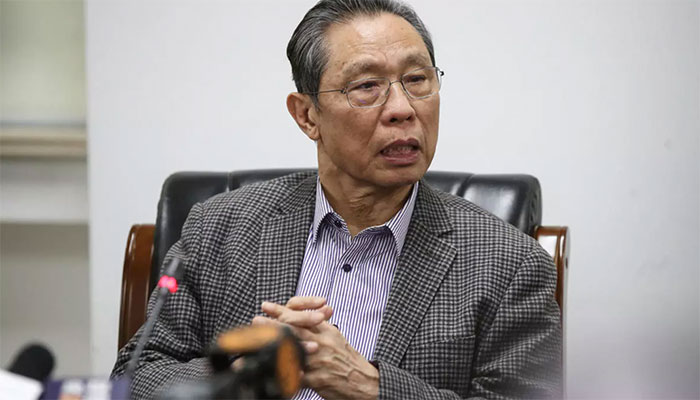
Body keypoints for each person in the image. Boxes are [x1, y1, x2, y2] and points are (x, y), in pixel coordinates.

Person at [111, 0, 562, 398]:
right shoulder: (219, 229)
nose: (403, 108)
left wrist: (370, 387)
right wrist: (237, 376)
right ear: (307, 115)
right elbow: (136, 377)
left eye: (417, 79)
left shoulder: (509, 265)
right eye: (367, 86)